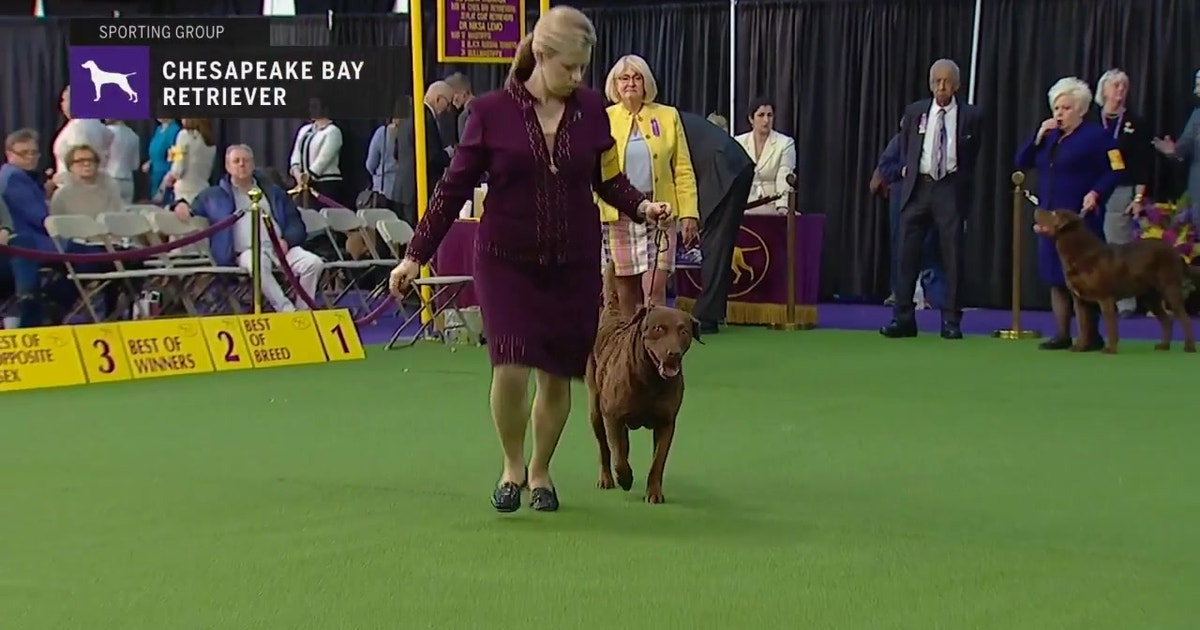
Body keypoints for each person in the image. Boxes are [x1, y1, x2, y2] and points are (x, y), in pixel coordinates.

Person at [387, 6, 672, 514]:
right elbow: (452, 190)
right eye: (570, 68)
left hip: (574, 262)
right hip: (505, 260)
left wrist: (643, 206)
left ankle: (541, 471)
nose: (580, 78)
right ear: (541, 56)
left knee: (557, 373)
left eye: (584, 68)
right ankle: (512, 465)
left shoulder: (590, 111)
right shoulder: (491, 111)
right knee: (512, 365)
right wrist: (415, 255)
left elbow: (607, 180)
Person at [1015, 77, 1124, 350]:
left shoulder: (1098, 137)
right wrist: (1037, 136)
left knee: (1089, 275)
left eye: (1065, 108)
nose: (1059, 114)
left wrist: (1096, 192)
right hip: (1052, 218)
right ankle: (1061, 332)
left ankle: (1091, 334)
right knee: (1056, 274)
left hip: (1081, 217)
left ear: (1081, 109)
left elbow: (1117, 169)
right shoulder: (1049, 137)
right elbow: (1021, 162)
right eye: (1056, 108)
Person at [879, 59, 983, 341]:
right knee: (906, 253)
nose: (941, 86)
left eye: (947, 81)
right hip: (917, 189)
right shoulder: (915, 112)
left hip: (949, 187)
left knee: (952, 255)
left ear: (957, 85)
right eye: (937, 81)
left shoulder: (971, 116)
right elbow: (906, 147)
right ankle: (903, 318)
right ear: (930, 83)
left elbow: (973, 155)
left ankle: (950, 320)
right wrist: (905, 173)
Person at [600, 54, 700, 312]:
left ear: (646, 84)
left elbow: (683, 168)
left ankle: (652, 348)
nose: (630, 83)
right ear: (615, 84)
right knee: (625, 295)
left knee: (655, 290)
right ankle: (628, 348)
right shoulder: (603, 118)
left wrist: (689, 213)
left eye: (637, 77)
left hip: (660, 213)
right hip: (618, 215)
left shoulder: (668, 116)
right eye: (624, 78)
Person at [180, 145, 324, 313]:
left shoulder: (274, 192)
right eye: (236, 161)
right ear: (228, 167)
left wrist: (287, 240)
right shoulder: (213, 195)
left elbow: (295, 223)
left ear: (253, 164)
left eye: (246, 160)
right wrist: (179, 204)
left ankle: (304, 311)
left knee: (314, 263)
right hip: (245, 253)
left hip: (279, 249)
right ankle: (286, 310)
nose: (242, 165)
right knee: (257, 262)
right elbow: (190, 208)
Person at [677, 110, 754, 334]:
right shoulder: (667, 116)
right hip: (734, 163)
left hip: (722, 166)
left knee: (716, 243)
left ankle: (706, 317)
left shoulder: (658, 122)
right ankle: (709, 314)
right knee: (720, 243)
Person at [1091, 69, 1154, 318]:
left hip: (1122, 188)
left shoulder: (1135, 122)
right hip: (1092, 187)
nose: (1120, 90)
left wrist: (1138, 197)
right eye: (1115, 85)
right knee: (1092, 244)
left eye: (1124, 86)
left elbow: (1142, 163)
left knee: (1119, 245)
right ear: (1103, 90)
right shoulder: (1091, 119)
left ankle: (1126, 304)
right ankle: (1093, 297)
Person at [875, 117, 945, 309]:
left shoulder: (935, 142)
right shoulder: (899, 142)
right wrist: (904, 170)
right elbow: (885, 166)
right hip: (902, 200)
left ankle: (933, 296)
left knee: (929, 247)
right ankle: (900, 293)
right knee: (901, 245)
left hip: (929, 199)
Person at [395, 84, 453, 226]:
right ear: (438, 99)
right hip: (419, 189)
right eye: (448, 103)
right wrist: (449, 153)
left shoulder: (409, 115)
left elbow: (396, 152)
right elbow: (432, 157)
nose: (448, 108)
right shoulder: (425, 120)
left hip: (403, 188)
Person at [1153, 70, 1200, 224]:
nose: (1195, 91)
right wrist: (1172, 151)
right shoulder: (1197, 115)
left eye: (1199, 85)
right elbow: (1183, 147)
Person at [734, 97, 796, 214]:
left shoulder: (785, 143)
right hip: (745, 206)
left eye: (770, 115)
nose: (766, 120)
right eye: (761, 115)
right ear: (751, 119)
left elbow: (784, 177)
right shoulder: (738, 142)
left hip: (772, 206)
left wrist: (782, 207)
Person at [289, 100, 345, 208]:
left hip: (325, 185)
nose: (311, 111)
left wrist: (307, 177)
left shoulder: (333, 131)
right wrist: (297, 174)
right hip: (303, 185)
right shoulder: (304, 130)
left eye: (315, 107)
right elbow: (296, 154)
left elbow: (324, 159)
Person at [50, 145, 125, 219]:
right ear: (70, 166)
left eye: (91, 160)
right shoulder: (62, 195)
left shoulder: (110, 189)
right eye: (80, 161)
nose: (86, 164)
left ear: (97, 164)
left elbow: (119, 217)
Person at [161, 118, 216, 205]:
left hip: (184, 193)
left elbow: (177, 170)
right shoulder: (209, 140)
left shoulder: (183, 135)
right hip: (203, 190)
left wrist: (168, 178)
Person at [143, 118, 181, 204]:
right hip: (154, 175)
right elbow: (157, 152)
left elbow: (175, 158)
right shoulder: (159, 129)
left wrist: (163, 186)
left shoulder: (175, 131)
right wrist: (150, 162)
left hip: (166, 178)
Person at [104, 119, 139, 204]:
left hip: (109, 179)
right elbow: (135, 165)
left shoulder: (105, 132)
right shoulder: (133, 135)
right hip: (128, 181)